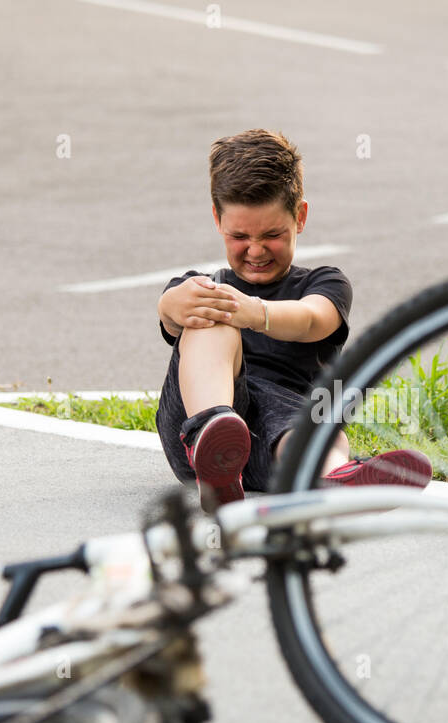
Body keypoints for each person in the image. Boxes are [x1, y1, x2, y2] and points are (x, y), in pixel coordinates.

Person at [154, 129, 432, 511]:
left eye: (272, 234)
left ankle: (333, 477)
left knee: (312, 422)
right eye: (240, 236)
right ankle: (211, 433)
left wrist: (257, 312)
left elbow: (312, 319)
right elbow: (170, 310)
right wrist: (173, 304)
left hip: (280, 444)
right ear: (217, 220)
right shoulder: (206, 287)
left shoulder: (324, 282)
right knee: (211, 310)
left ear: (299, 217)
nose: (255, 249)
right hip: (191, 433)